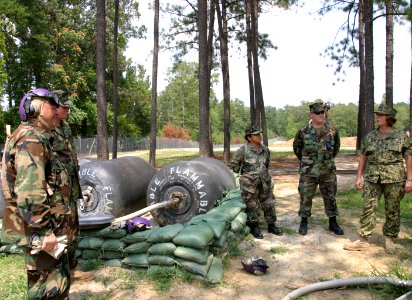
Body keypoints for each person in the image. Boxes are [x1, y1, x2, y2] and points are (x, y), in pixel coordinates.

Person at [1, 88, 73, 299]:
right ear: (37, 109)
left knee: (56, 286)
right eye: (52, 106)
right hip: (41, 230)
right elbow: (30, 192)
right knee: (48, 289)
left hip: (47, 227)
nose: (57, 111)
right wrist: (43, 232)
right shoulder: (31, 139)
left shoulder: (37, 136)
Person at [344, 104, 412, 254]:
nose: (378, 117)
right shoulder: (371, 136)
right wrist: (359, 176)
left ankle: (389, 239)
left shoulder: (401, 136)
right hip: (372, 177)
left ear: (389, 118)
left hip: (394, 178)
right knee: (368, 207)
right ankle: (363, 240)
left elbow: (408, 156)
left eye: (381, 115)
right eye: (378, 114)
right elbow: (363, 157)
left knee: (392, 209)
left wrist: (409, 179)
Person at [51, 91, 93, 281]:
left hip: (70, 186)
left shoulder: (65, 126)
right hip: (57, 192)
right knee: (60, 231)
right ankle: (60, 273)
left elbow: (70, 153)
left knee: (73, 228)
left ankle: (72, 269)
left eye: (68, 106)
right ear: (54, 107)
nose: (68, 109)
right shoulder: (46, 130)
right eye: (64, 106)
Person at [293, 102, 344, 236]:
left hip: (327, 171)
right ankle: (304, 221)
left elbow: (336, 148)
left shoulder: (332, 131)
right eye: (318, 113)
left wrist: (325, 161)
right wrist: (309, 162)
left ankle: (333, 222)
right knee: (305, 197)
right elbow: (297, 149)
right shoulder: (303, 132)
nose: (322, 114)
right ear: (311, 115)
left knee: (330, 196)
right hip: (309, 172)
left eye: (323, 112)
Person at [231, 125, 283, 239]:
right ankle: (254, 227)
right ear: (249, 137)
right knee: (252, 205)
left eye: (259, 134)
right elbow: (235, 166)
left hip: (264, 182)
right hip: (249, 184)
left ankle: (271, 225)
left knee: (269, 203)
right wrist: (247, 176)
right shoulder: (243, 150)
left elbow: (266, 164)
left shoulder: (265, 150)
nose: (259, 136)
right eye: (256, 134)